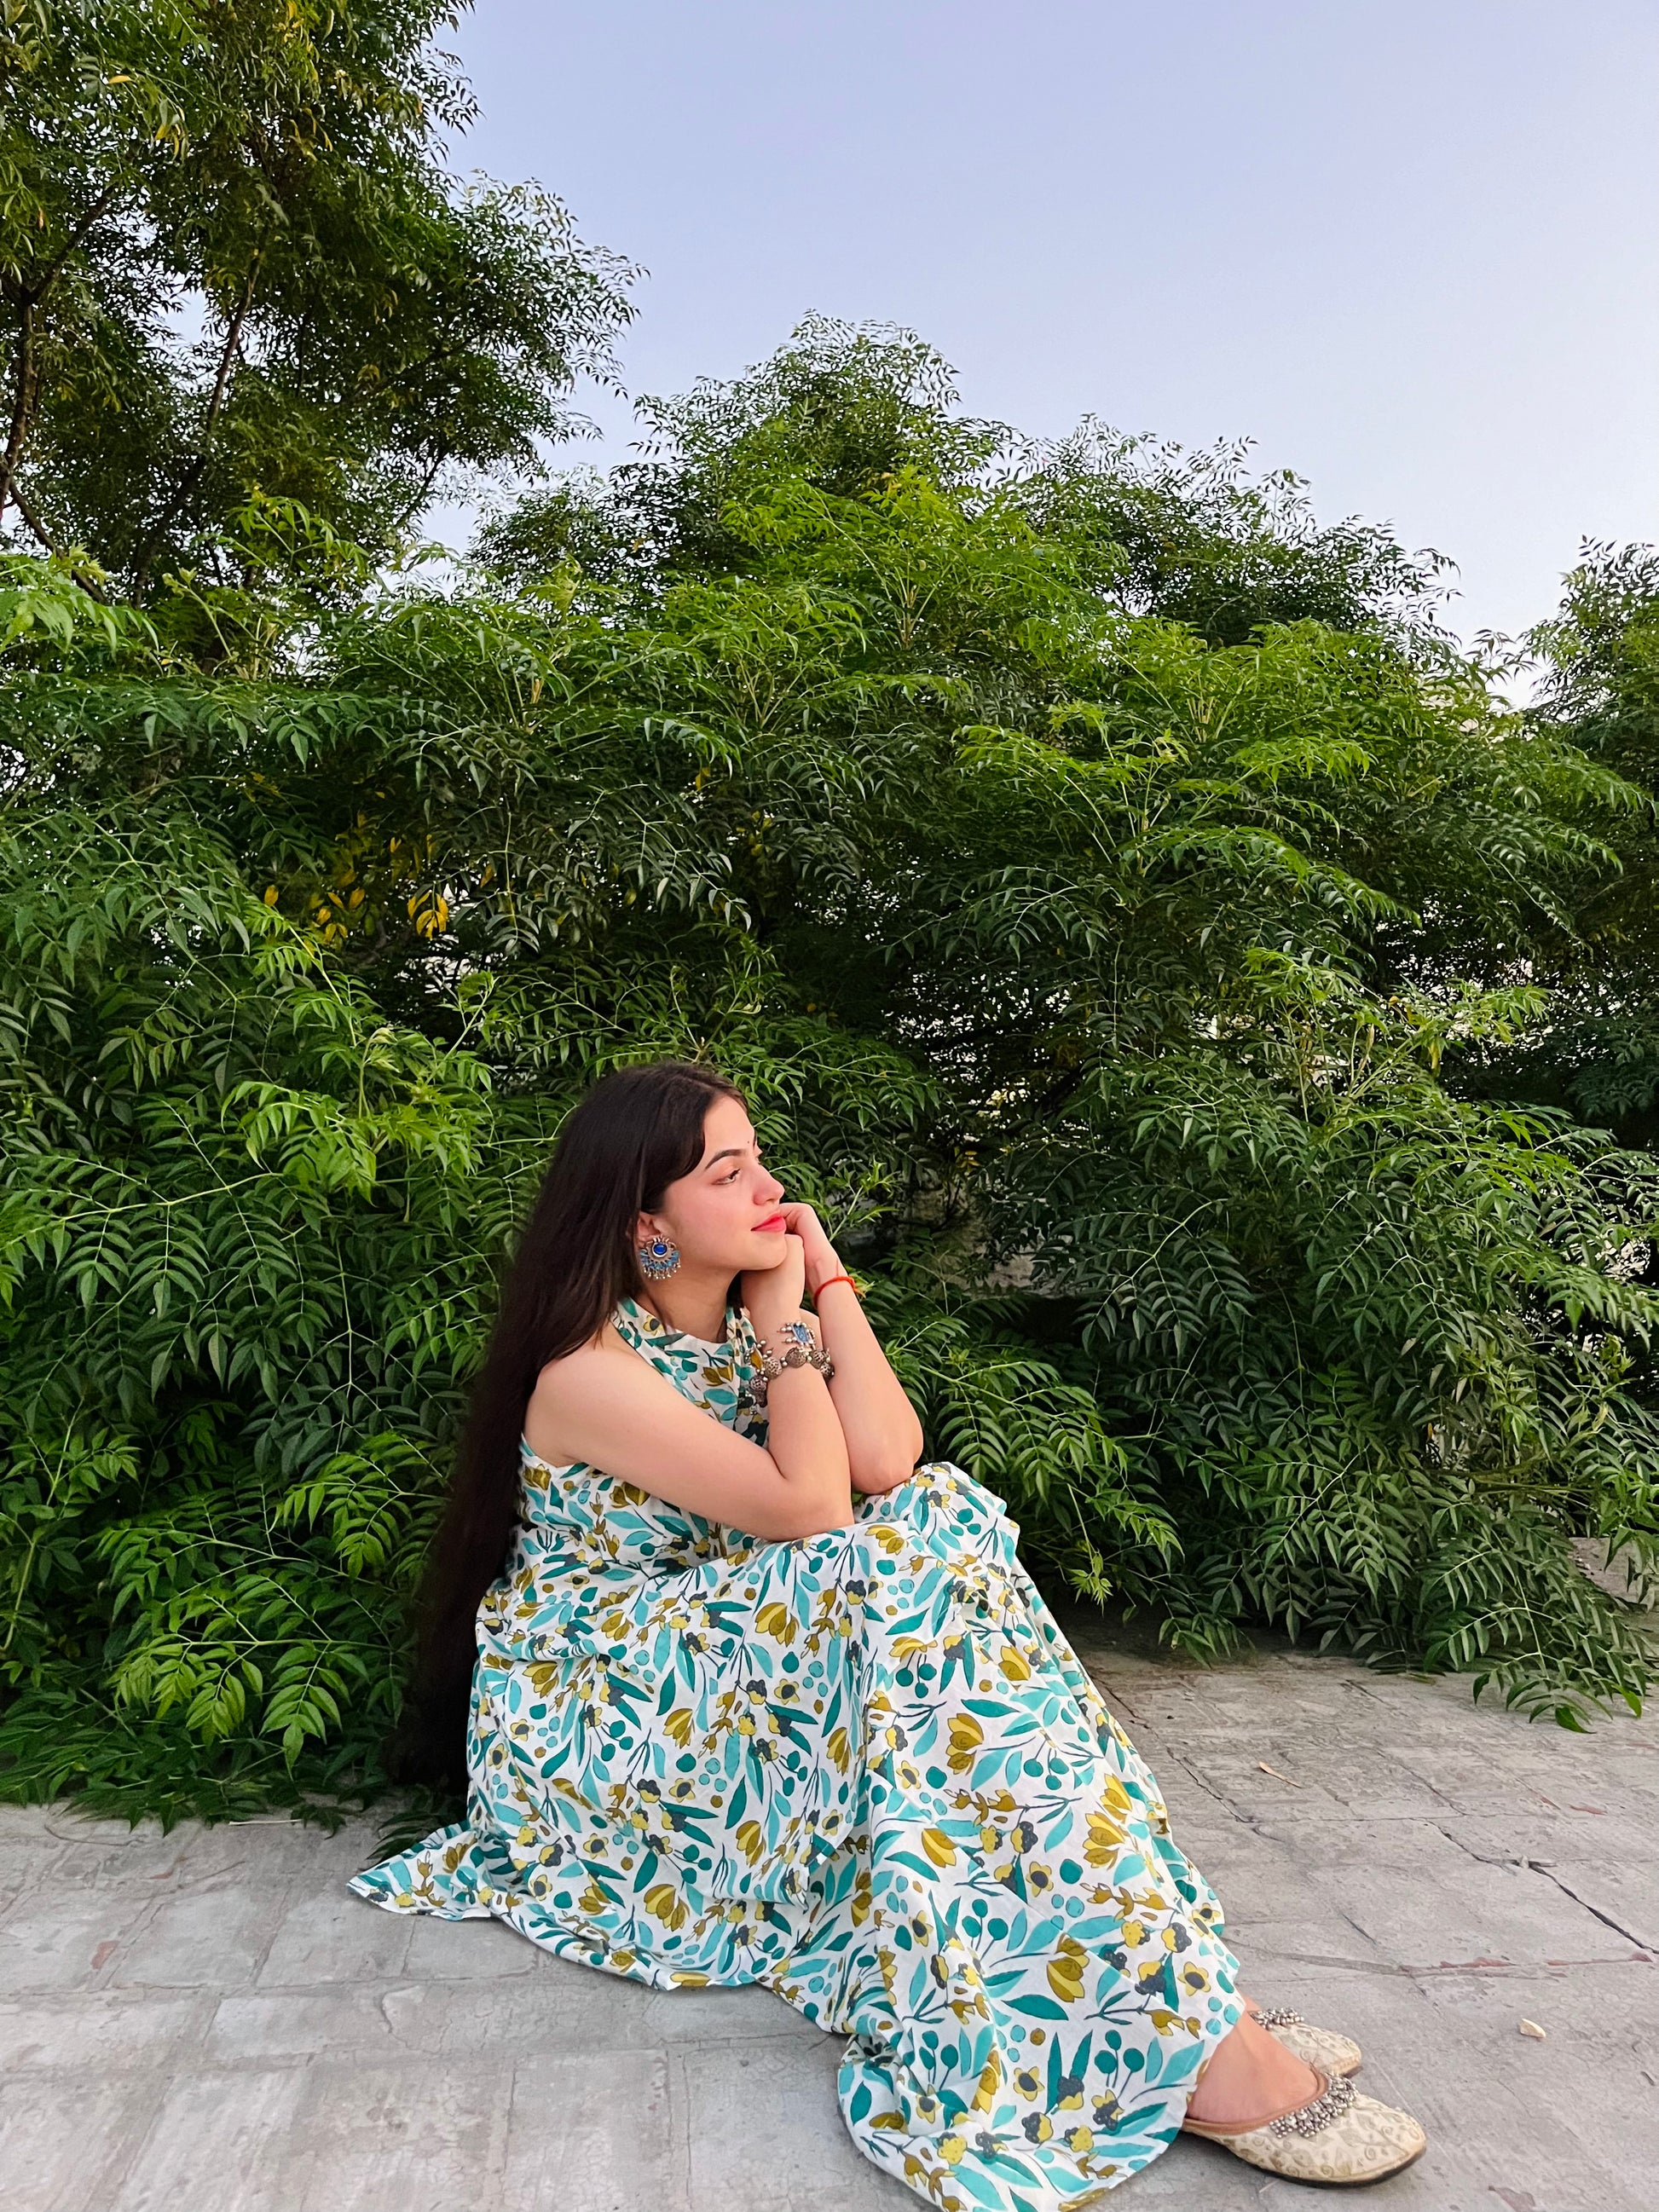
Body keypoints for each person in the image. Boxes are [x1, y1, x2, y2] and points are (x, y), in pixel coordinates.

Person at [352, 1060, 1426, 2200]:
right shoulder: (589, 1374)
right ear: (644, 1226)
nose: (769, 1189)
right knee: (901, 1556)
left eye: (760, 1160)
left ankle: (1169, 1995)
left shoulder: (742, 1336)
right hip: (608, 1709)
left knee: (932, 1523)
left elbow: (886, 1459)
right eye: (729, 1173)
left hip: (729, 1660)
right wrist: (783, 1320)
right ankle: (1182, 2027)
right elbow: (816, 1508)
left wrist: (826, 1283)